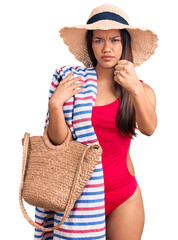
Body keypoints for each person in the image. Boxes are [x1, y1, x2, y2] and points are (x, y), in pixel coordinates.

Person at [34, 4, 158, 240]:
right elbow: (59, 143)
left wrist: (134, 88)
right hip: (78, 198)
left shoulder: (141, 89)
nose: (107, 48)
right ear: (91, 44)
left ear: (125, 43)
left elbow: (150, 129)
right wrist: (55, 105)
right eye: (98, 40)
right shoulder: (74, 85)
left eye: (114, 40)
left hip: (124, 196)